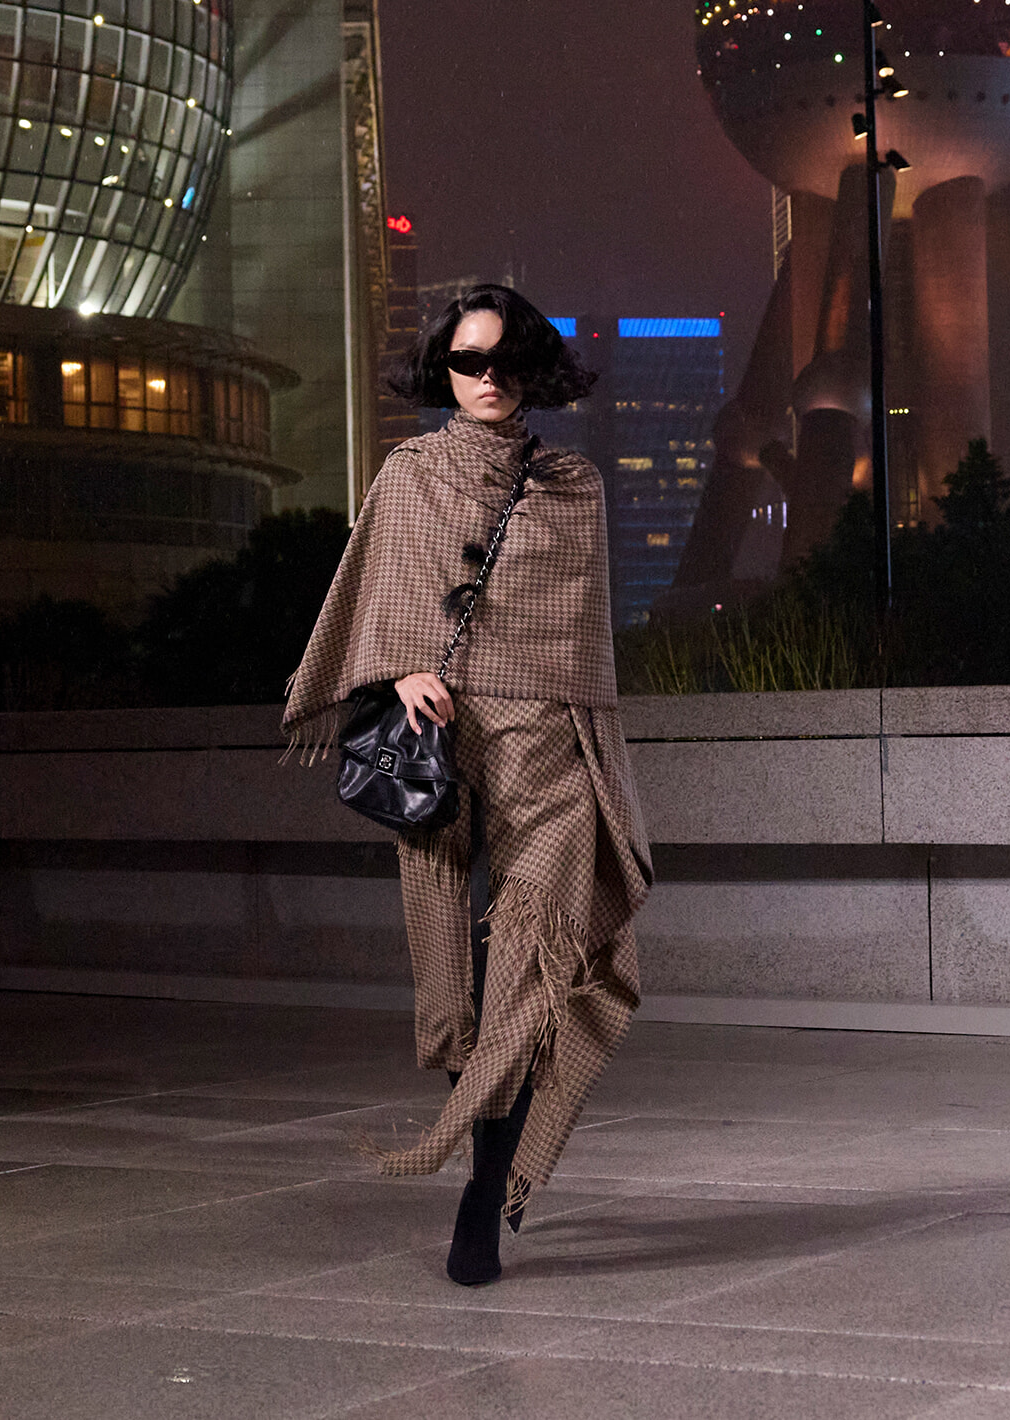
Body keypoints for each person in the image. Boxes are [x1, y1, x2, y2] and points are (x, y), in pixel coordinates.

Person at [281, 283, 652, 1285]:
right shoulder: (408, 475)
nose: (487, 379)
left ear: (534, 367)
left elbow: (579, 634)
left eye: (504, 361)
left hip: (550, 748)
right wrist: (401, 668)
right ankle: (490, 1152)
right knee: (457, 981)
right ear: (440, 369)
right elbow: (377, 599)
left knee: (531, 973)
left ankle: (482, 1195)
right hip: (440, 747)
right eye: (466, 361)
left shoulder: (574, 484)